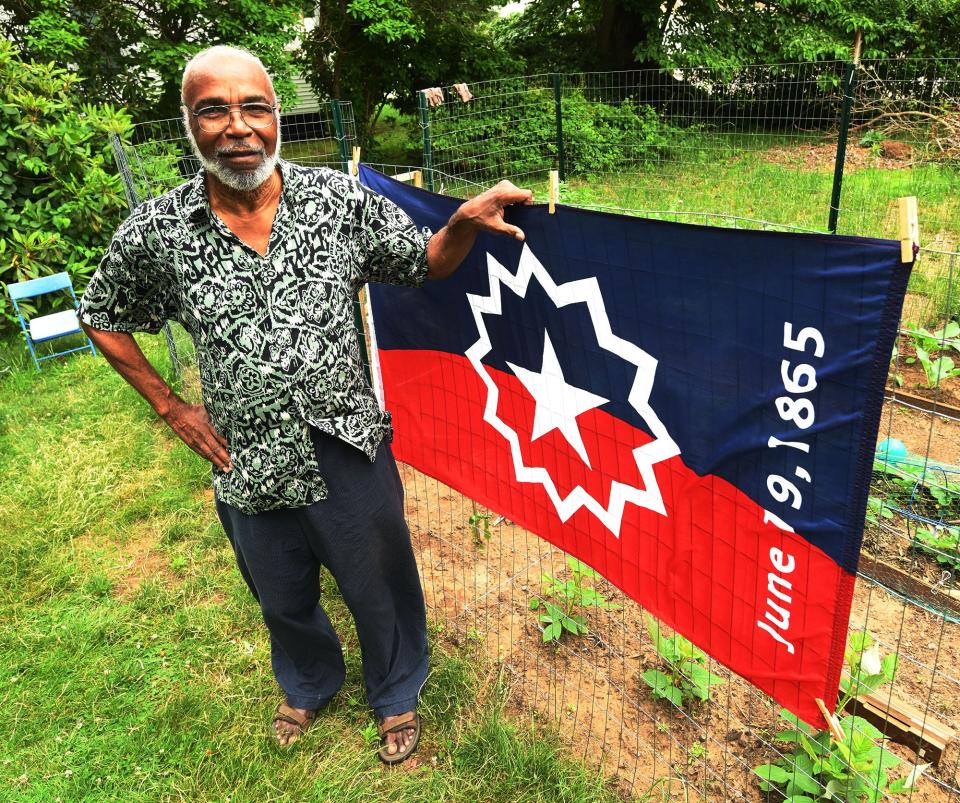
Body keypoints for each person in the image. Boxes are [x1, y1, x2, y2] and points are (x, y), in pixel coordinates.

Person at [79, 44, 533, 763]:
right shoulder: (159, 232)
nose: (238, 126)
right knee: (280, 591)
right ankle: (310, 679)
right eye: (214, 109)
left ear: (276, 117)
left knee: (379, 579)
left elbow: (421, 262)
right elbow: (101, 313)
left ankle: (396, 689)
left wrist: (463, 224)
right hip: (245, 448)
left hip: (346, 438)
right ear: (190, 124)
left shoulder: (337, 202)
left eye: (254, 106)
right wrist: (172, 406)